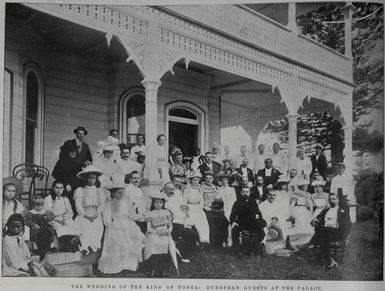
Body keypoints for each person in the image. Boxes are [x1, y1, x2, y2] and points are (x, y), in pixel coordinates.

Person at [98, 183, 145, 274]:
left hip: (127, 223)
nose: (121, 194)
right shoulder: (109, 203)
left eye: (122, 192)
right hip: (115, 224)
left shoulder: (126, 202)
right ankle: (116, 266)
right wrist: (110, 224)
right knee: (118, 242)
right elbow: (107, 217)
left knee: (134, 237)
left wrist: (141, 216)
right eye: (119, 192)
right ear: (114, 193)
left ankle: (128, 265)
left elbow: (131, 215)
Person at [297, 193, 351, 268]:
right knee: (323, 233)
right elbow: (316, 219)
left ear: (338, 200)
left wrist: (342, 230)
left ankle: (309, 244)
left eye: (334, 199)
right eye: (330, 199)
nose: (331, 201)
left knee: (322, 231)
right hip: (325, 233)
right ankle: (326, 258)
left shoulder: (343, 211)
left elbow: (347, 224)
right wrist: (313, 222)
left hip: (337, 233)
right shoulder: (326, 210)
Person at [143, 192, 178, 277]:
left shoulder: (166, 212)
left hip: (164, 232)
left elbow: (170, 225)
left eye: (160, 202)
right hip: (154, 232)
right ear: (153, 203)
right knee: (153, 242)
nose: (158, 204)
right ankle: (152, 268)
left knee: (166, 244)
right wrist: (156, 232)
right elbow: (149, 228)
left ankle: (163, 269)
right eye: (156, 202)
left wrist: (169, 230)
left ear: (163, 204)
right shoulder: (150, 213)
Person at [73, 165, 106, 254]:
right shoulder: (80, 190)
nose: (91, 180)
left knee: (97, 227)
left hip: (95, 214)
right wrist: (85, 215)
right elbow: (78, 204)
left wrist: (96, 215)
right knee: (84, 226)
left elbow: (102, 204)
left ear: (96, 179)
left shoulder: (99, 191)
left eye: (93, 178)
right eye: (89, 178)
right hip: (84, 214)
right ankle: (85, 247)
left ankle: (93, 246)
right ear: (85, 179)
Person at [164, 182, 200, 262]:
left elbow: (181, 211)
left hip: (181, 222)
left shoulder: (175, 199)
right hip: (172, 225)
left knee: (195, 233)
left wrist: (185, 215)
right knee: (191, 234)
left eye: (173, 189)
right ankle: (184, 254)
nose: (172, 191)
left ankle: (187, 251)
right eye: (169, 189)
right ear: (164, 190)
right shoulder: (164, 201)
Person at [230, 186, 266, 259]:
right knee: (234, 230)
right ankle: (238, 250)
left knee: (261, 233)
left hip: (252, 223)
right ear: (241, 193)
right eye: (244, 192)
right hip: (241, 223)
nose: (245, 193)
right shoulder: (237, 203)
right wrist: (233, 222)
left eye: (247, 192)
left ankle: (251, 249)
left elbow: (259, 213)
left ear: (250, 193)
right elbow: (232, 215)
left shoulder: (253, 202)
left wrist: (259, 218)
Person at [52, 143, 83, 216]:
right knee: (62, 191)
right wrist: (65, 184)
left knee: (77, 193)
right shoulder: (61, 162)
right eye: (71, 151)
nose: (73, 153)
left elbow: (79, 177)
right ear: (67, 152)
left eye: (75, 151)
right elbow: (55, 174)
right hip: (63, 184)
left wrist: (72, 185)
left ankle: (74, 216)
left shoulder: (77, 163)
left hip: (74, 185)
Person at [201, 173, 228, 247]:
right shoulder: (202, 188)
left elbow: (218, 199)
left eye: (210, 178)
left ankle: (221, 241)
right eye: (207, 178)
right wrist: (206, 207)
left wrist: (218, 208)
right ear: (205, 180)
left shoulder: (215, 187)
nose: (209, 180)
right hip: (206, 208)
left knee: (224, 220)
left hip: (215, 208)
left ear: (212, 179)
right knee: (211, 221)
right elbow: (201, 200)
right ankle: (212, 241)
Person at [183, 172, 210, 243]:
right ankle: (191, 241)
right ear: (190, 181)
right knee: (189, 223)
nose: (195, 181)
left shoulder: (199, 189)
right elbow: (184, 201)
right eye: (194, 180)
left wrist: (200, 208)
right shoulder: (187, 190)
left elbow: (202, 200)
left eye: (197, 180)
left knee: (202, 223)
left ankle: (203, 240)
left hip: (198, 208)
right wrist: (186, 212)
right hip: (190, 208)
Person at [217, 175, 237, 246]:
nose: (224, 181)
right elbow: (218, 200)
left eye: (225, 180)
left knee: (229, 225)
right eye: (223, 180)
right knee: (222, 225)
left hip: (230, 209)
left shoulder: (231, 189)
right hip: (221, 210)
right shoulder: (219, 189)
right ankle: (223, 240)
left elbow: (234, 200)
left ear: (228, 181)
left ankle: (229, 240)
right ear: (221, 181)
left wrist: (229, 208)